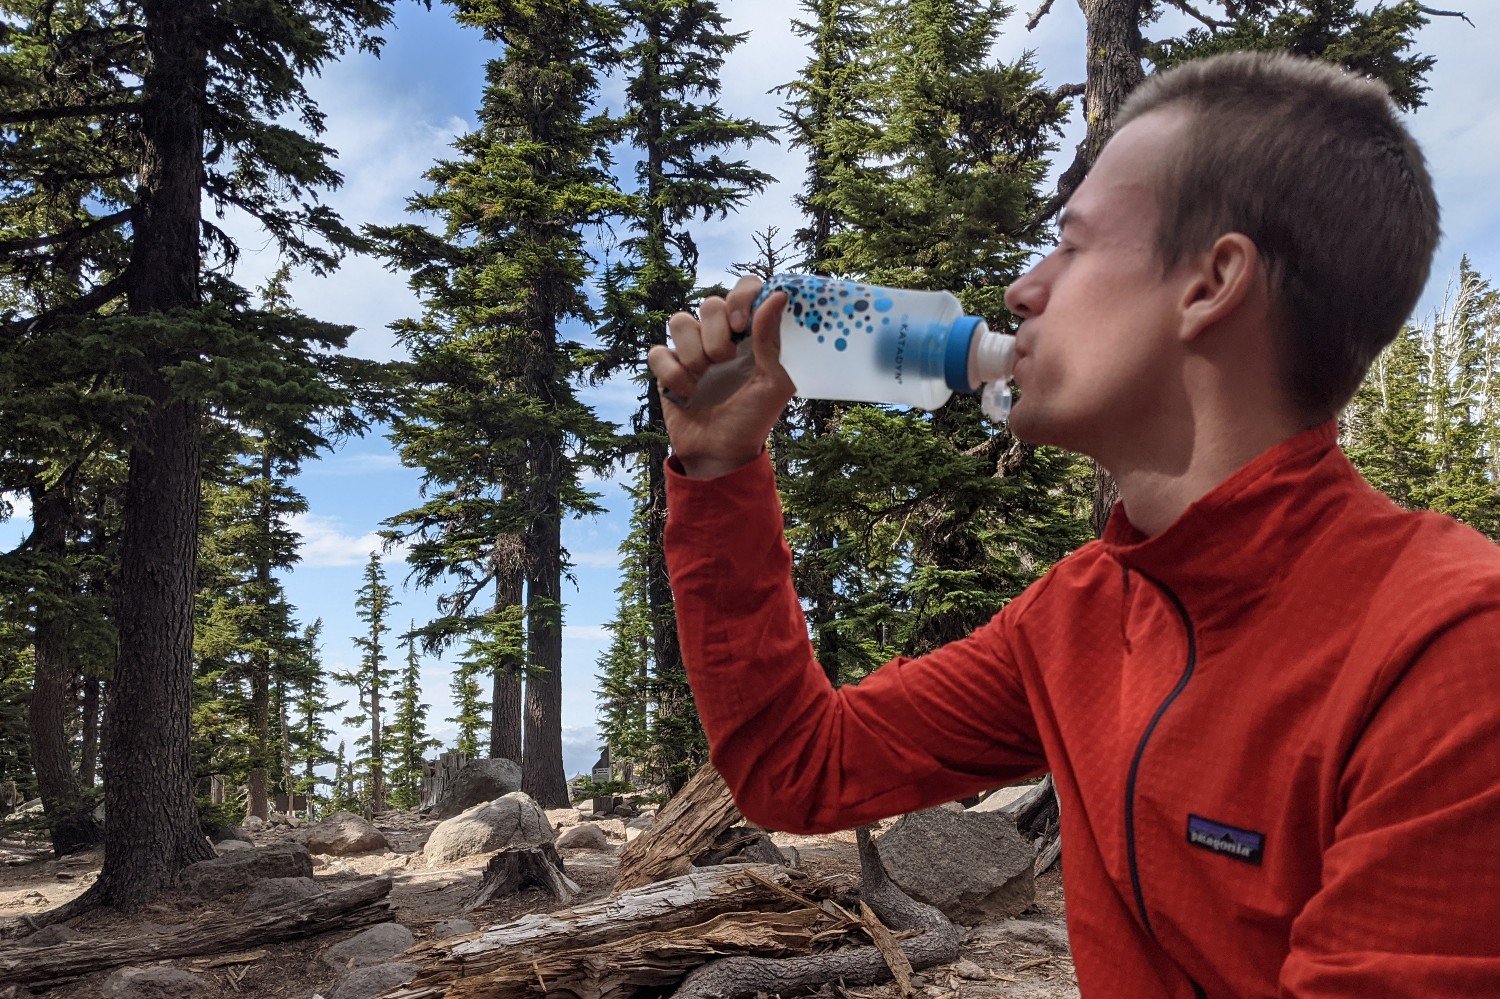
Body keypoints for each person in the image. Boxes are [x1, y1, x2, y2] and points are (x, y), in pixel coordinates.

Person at [646, 51, 1500, 998]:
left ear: (1211, 283)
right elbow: (801, 767)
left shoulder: (1453, 652)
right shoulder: (1079, 617)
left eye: (1075, 246)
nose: (1022, 289)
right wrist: (720, 471)